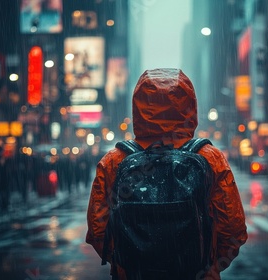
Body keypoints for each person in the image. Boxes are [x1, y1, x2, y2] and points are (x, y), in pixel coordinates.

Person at [86, 68, 248, 279]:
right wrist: (207, 266)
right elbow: (233, 229)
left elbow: (98, 229)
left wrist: (126, 264)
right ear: (189, 106)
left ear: (139, 106)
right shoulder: (210, 158)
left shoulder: (114, 161)